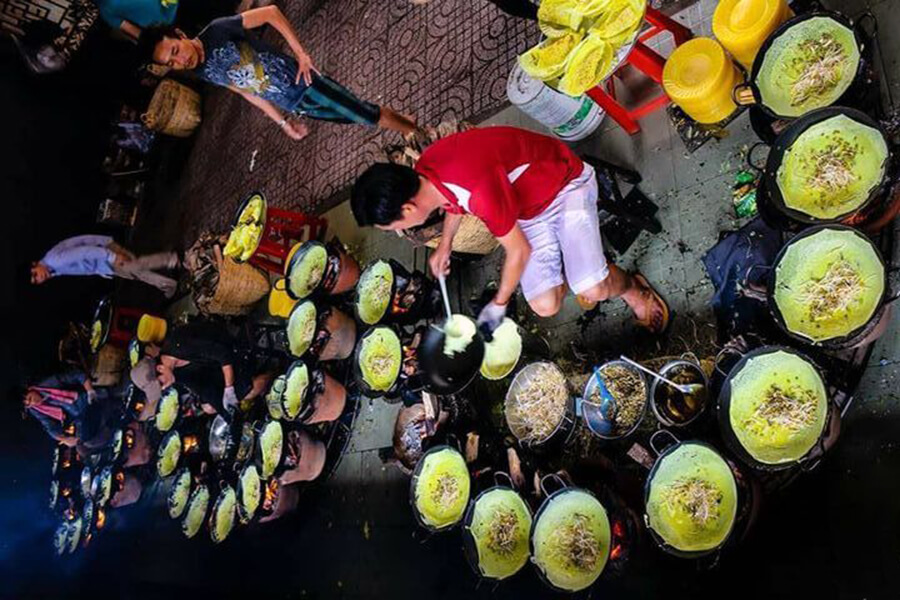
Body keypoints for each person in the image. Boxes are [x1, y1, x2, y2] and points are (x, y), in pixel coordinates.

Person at [351, 126, 670, 334]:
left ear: (407, 210)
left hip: (564, 186)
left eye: (392, 226)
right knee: (545, 305)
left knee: (593, 289)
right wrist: (445, 245)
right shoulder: (425, 170)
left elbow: (519, 251)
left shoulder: (479, 192)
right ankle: (583, 270)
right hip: (524, 208)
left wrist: (499, 303)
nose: (398, 232)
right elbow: (452, 202)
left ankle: (628, 286)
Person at [138, 6, 419, 141]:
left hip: (307, 83)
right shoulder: (201, 71)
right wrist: (283, 123)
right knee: (354, 117)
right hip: (295, 104)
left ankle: (418, 133)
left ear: (180, 34)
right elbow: (245, 91)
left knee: (365, 115)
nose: (180, 60)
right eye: (172, 63)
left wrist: (301, 54)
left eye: (175, 50)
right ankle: (407, 122)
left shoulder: (218, 29)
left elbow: (271, 13)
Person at [154, 320, 273, 415]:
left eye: (161, 383)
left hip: (226, 345)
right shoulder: (173, 373)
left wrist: (229, 388)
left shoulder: (179, 346)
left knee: (246, 392)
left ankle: (273, 373)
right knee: (208, 407)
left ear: (160, 368)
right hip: (213, 366)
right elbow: (202, 389)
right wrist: (226, 413)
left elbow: (222, 353)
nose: (165, 386)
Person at [31, 234, 180, 298]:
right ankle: (170, 267)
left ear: (35, 264)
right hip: (104, 259)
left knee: (138, 268)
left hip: (105, 255)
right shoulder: (53, 267)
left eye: (35, 274)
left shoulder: (55, 261)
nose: (39, 278)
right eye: (36, 281)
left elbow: (85, 252)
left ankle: (170, 271)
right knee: (137, 270)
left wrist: (112, 256)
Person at [22, 370, 120, 449]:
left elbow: (77, 375)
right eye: (29, 404)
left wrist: (90, 390)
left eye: (30, 398)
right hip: (79, 416)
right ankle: (116, 433)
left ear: (31, 390)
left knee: (118, 392)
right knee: (86, 443)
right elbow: (49, 426)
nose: (33, 402)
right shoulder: (36, 409)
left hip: (85, 398)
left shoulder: (47, 384)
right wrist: (65, 439)